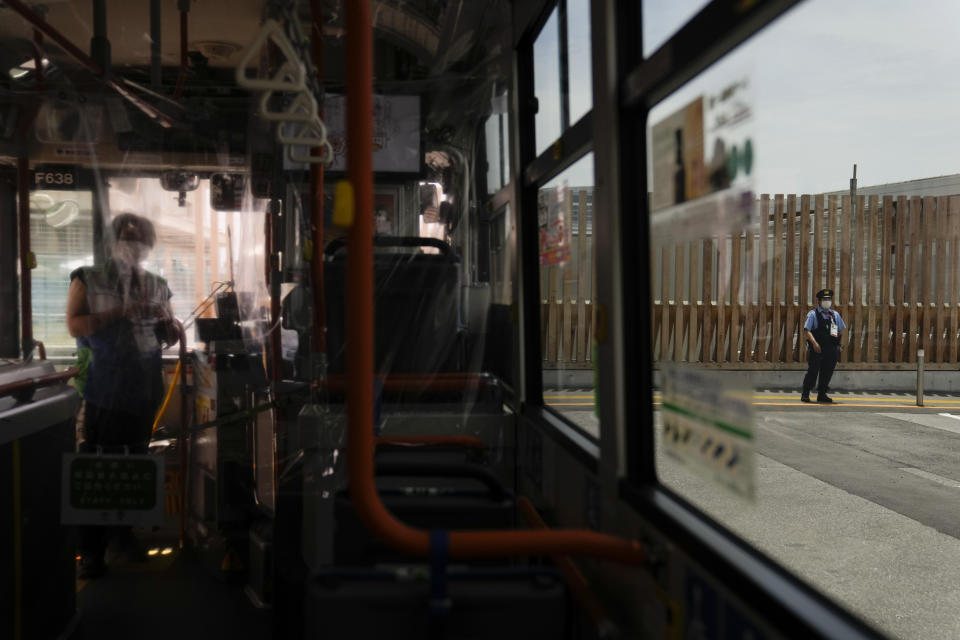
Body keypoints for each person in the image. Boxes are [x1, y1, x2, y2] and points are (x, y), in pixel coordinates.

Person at [66, 212, 180, 578]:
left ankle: (123, 536)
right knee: (98, 467)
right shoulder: (88, 278)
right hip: (102, 387)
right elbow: (74, 325)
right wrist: (123, 311)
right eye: (126, 238)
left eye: (139, 239)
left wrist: (168, 325)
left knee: (135, 465)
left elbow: (171, 335)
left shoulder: (158, 284)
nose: (133, 246)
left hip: (143, 389)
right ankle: (91, 549)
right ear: (112, 242)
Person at [801, 288, 845, 403]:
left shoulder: (834, 315)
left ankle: (822, 394)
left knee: (827, 372)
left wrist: (840, 345)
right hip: (818, 349)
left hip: (831, 349)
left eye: (829, 299)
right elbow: (807, 330)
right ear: (819, 301)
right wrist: (814, 344)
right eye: (825, 299)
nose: (827, 301)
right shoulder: (813, 314)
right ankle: (805, 393)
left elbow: (842, 330)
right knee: (813, 371)